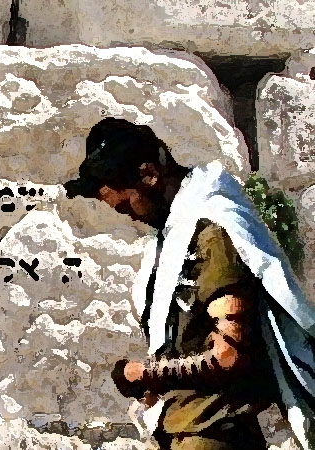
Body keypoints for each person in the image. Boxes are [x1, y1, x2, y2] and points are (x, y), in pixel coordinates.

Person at [65, 119, 315, 450]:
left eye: (126, 205)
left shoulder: (212, 236)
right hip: (185, 432)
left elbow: (227, 355)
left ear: (149, 175)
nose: (131, 216)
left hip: (214, 435)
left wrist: (142, 374)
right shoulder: (172, 242)